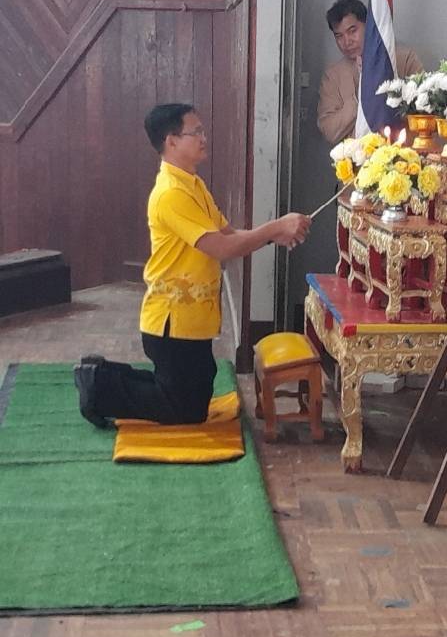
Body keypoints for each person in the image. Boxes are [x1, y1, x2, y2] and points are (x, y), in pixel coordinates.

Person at [74, 103, 311, 429]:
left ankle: (101, 373)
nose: (203, 138)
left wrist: (275, 235)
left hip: (192, 319)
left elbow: (228, 235)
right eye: (195, 132)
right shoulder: (171, 193)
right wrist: (275, 227)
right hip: (172, 322)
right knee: (185, 410)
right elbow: (221, 248)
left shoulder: (192, 184)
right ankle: (98, 386)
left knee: (189, 395)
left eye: (202, 130)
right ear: (171, 141)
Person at [317, 0, 423, 144]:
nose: (347, 42)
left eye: (352, 31)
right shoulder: (333, 76)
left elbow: (424, 112)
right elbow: (329, 131)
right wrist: (360, 96)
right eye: (339, 36)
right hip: (354, 156)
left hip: (401, 152)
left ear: (368, 26)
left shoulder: (404, 59)